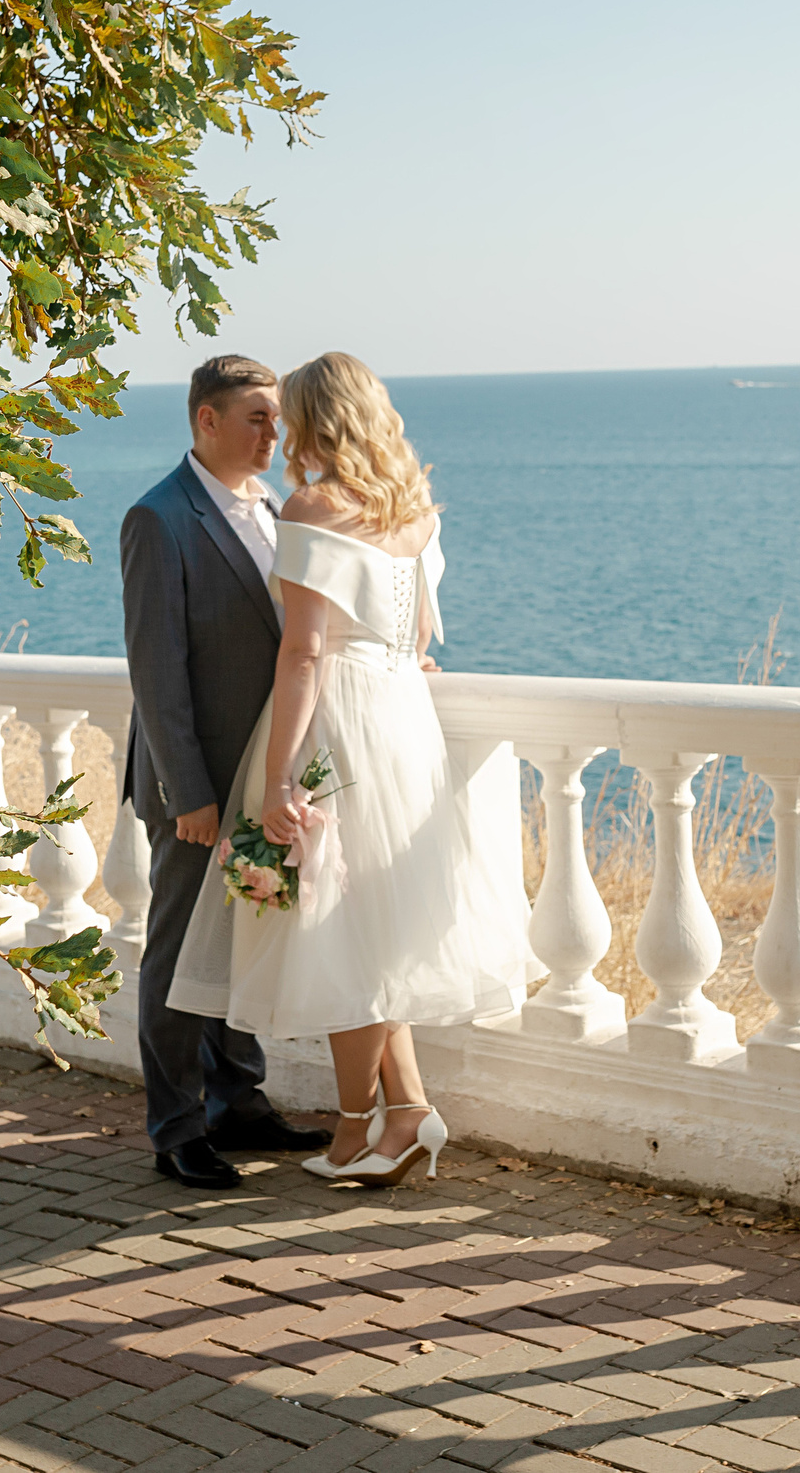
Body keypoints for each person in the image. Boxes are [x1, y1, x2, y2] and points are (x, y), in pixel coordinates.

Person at [169, 352, 538, 1188]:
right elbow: (414, 641)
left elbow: (302, 653)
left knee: (338, 929)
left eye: (289, 414)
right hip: (403, 716)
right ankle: (407, 1111)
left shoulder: (313, 506)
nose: (283, 431)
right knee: (375, 929)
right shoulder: (413, 512)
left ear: (314, 417)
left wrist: (279, 776)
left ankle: (352, 1130)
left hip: (339, 722)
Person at [120, 355, 331, 1190]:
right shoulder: (158, 518)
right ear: (205, 420)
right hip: (198, 784)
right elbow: (157, 672)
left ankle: (237, 1100)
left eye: (276, 417)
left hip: (260, 775)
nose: (274, 432)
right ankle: (176, 1128)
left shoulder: (277, 507)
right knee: (176, 955)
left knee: (242, 938)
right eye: (255, 417)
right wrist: (189, 793)